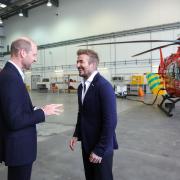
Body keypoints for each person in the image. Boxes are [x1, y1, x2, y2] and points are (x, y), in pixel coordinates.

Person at [0, 37, 63, 180]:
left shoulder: (10, 74)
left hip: (18, 148)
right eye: (34, 55)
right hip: (19, 150)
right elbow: (14, 121)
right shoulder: (11, 78)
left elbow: (15, 107)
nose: (35, 59)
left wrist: (36, 108)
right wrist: (43, 112)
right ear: (22, 53)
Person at [69, 49, 118, 180]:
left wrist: (100, 149)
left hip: (101, 147)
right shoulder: (81, 87)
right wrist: (76, 134)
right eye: (77, 61)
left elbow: (111, 121)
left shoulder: (104, 87)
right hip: (86, 143)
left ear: (92, 64)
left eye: (81, 62)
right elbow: (82, 113)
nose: (78, 65)